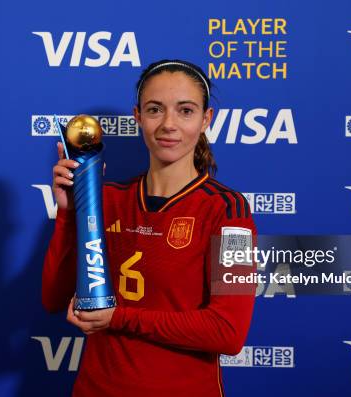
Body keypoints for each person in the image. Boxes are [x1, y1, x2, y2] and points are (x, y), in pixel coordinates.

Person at [42, 59, 258, 397]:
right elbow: (54, 298)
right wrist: (68, 213)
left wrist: (117, 318)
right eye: (155, 109)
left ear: (206, 120)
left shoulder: (229, 210)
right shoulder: (104, 200)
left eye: (185, 111)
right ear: (137, 117)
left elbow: (228, 332)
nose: (168, 124)